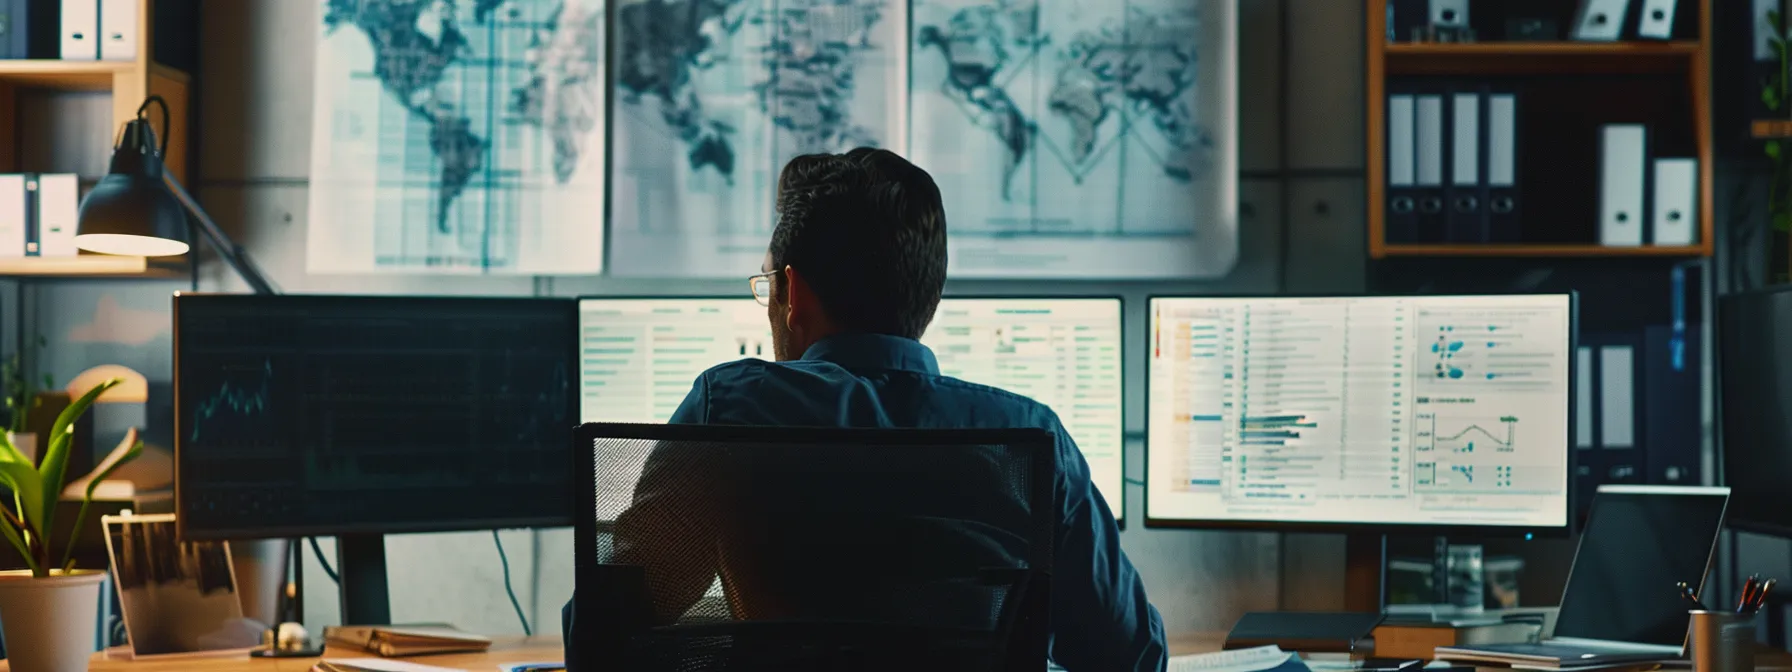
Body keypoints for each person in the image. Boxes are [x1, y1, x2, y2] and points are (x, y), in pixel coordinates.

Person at [567, 148, 1166, 671]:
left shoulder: (730, 409)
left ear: (791, 292)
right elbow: (1129, 655)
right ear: (930, 295)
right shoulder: (1030, 437)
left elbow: (608, 635)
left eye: (767, 284)